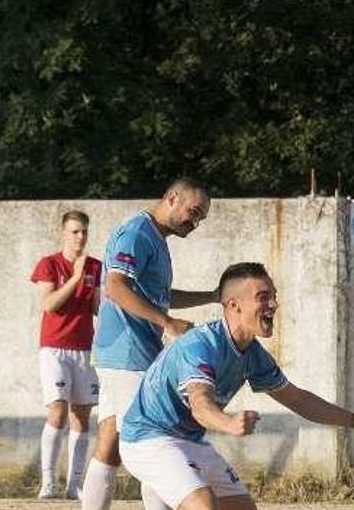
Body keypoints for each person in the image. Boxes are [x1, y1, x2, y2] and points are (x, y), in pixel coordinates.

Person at [119, 262, 354, 509]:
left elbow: (299, 400)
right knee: (203, 505)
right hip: (147, 439)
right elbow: (199, 405)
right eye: (264, 297)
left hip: (188, 442)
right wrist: (228, 423)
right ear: (233, 305)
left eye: (274, 296)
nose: (274, 304)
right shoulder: (200, 346)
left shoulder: (253, 354)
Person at [81, 177, 218, 510]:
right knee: (158, 441)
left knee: (112, 440)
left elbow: (158, 297)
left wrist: (212, 296)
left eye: (201, 217)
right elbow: (114, 287)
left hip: (123, 355)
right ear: (172, 197)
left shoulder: (156, 239)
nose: (195, 222)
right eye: (193, 212)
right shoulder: (137, 233)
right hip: (128, 355)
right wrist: (167, 323)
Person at [29, 210, 101, 499]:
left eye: (84, 231)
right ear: (63, 233)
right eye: (74, 232)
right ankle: (48, 483)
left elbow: (97, 307)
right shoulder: (49, 264)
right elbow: (48, 304)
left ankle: (75, 485)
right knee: (57, 410)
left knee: (81, 416)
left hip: (85, 348)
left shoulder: (96, 266)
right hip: (54, 348)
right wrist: (75, 277)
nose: (80, 237)